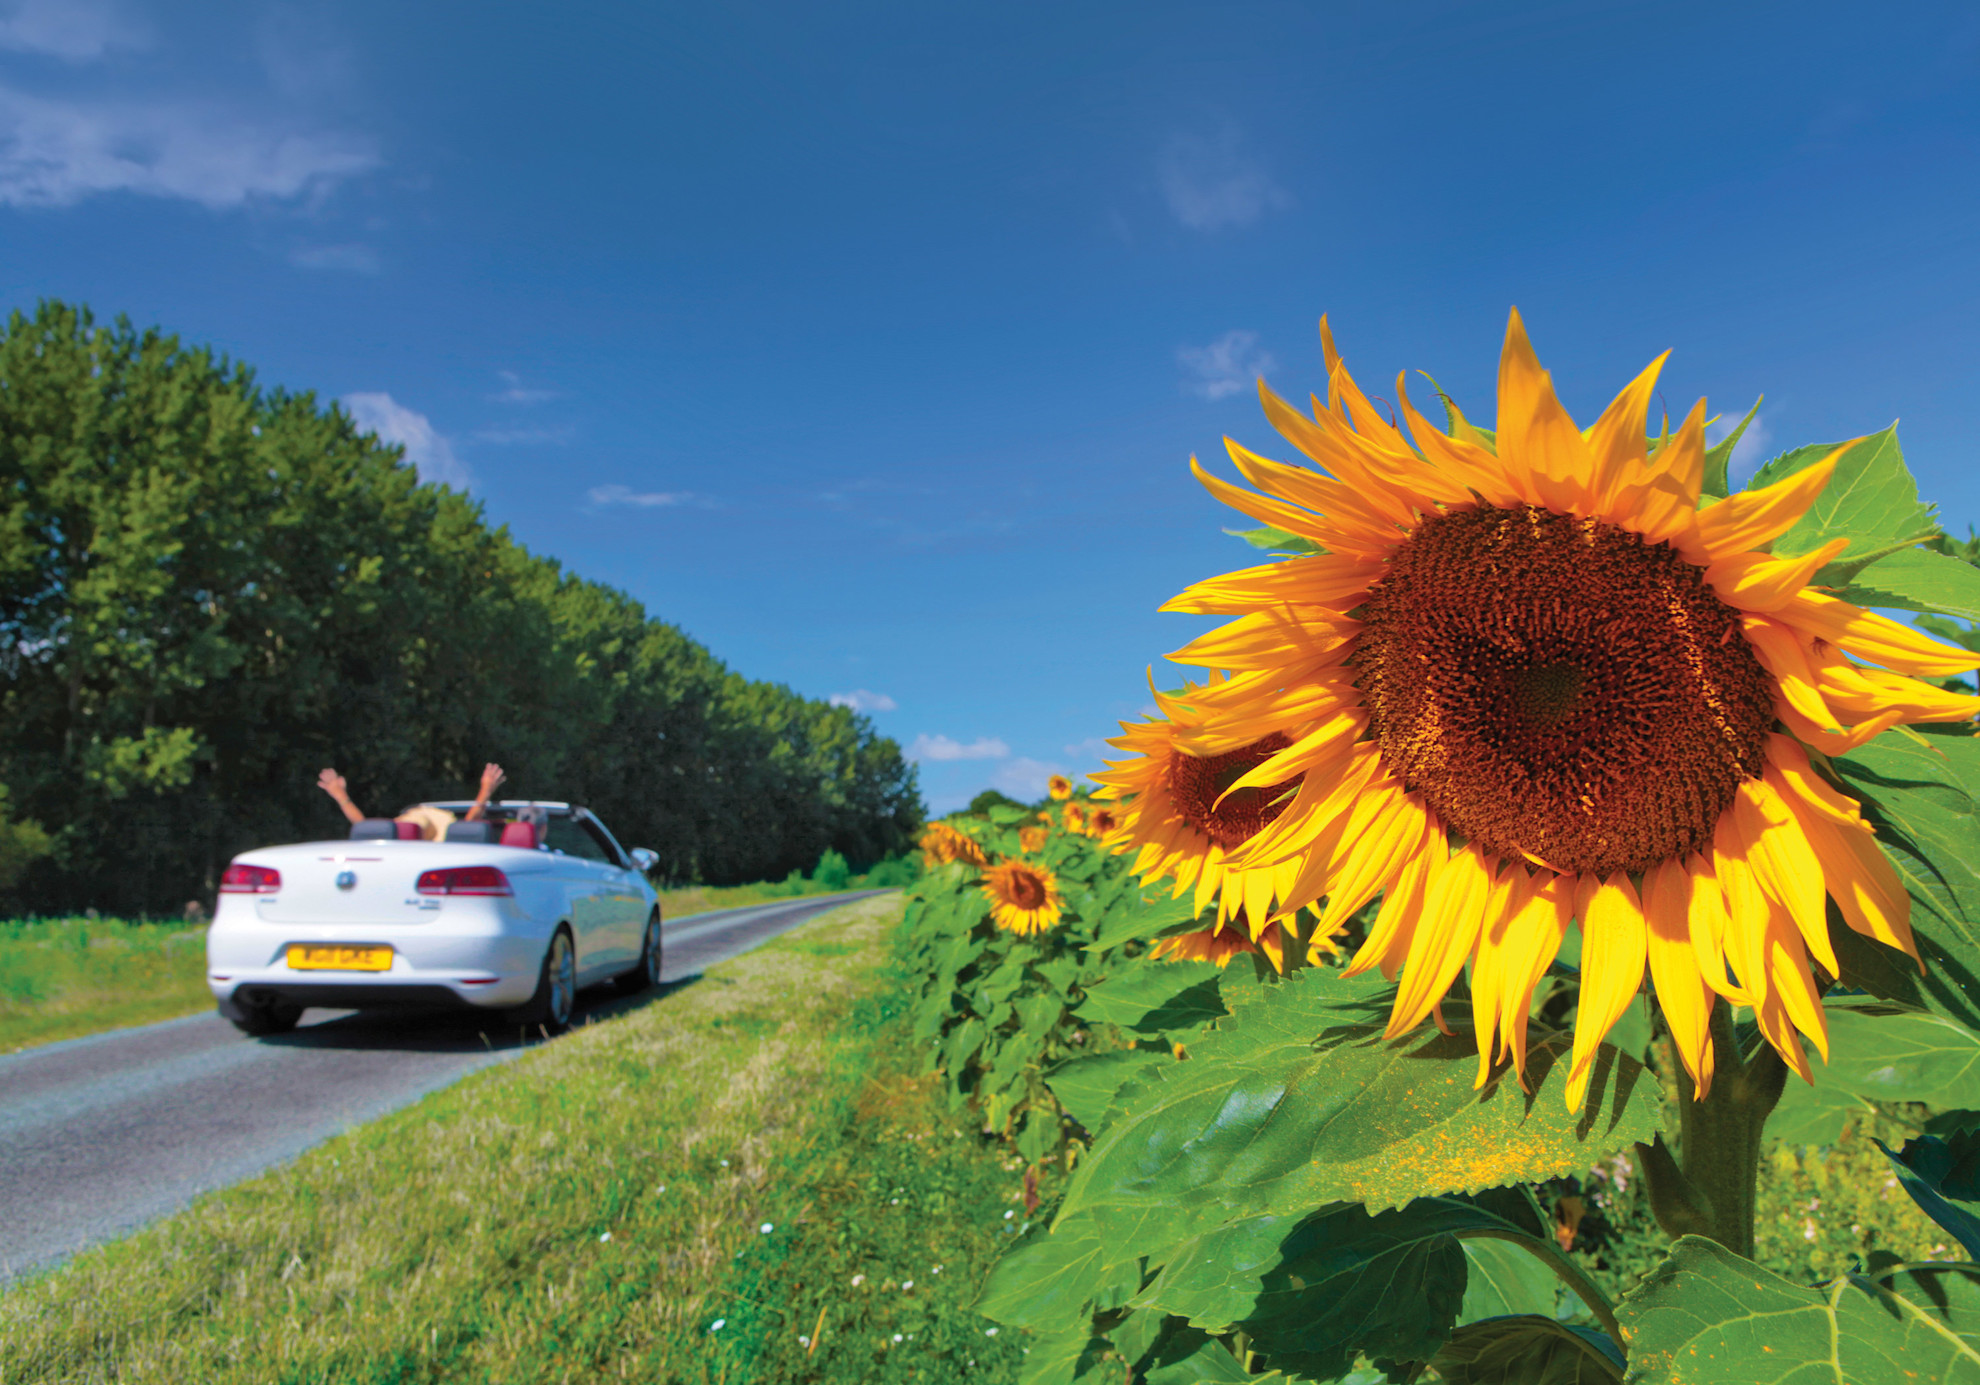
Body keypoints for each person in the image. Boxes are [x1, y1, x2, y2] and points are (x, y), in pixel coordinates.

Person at [316, 763, 508, 841]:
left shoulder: (393, 840)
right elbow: (469, 824)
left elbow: (364, 826)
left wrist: (341, 796)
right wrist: (486, 790)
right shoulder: (445, 846)